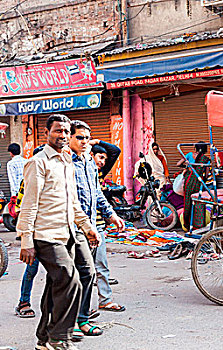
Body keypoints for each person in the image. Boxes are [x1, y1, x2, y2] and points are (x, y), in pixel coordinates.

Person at [17, 114, 101, 350]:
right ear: (46, 133)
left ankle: (44, 339)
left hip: (67, 234)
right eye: (57, 131)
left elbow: (72, 202)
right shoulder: (38, 162)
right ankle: (60, 338)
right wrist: (26, 239)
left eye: (65, 131)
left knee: (56, 285)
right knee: (70, 279)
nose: (62, 136)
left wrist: (87, 227)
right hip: (45, 234)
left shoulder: (66, 162)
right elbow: (30, 203)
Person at [69, 121, 126, 340]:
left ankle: (81, 319)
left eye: (87, 138)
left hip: (91, 226)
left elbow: (97, 193)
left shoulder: (89, 163)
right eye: (79, 137)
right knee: (75, 275)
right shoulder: (64, 162)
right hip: (72, 227)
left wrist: (111, 214)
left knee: (86, 273)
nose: (84, 142)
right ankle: (70, 321)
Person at [89, 139, 127, 313]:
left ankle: (105, 300)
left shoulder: (100, 173)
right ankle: (79, 307)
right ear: (90, 156)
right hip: (81, 229)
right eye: (99, 157)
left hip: (98, 227)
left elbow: (116, 151)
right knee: (81, 270)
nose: (103, 162)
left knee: (101, 266)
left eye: (104, 159)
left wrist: (97, 141)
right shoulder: (75, 169)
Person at [14, 146, 45, 319]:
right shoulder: (28, 179)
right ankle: (23, 302)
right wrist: (27, 237)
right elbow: (21, 207)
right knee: (32, 269)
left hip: (53, 231)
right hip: (35, 232)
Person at [182, 141, 210, 230]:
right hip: (198, 183)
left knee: (187, 203)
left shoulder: (190, 155)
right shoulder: (206, 159)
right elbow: (206, 174)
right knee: (198, 203)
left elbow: (178, 164)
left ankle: (187, 224)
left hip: (188, 182)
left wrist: (187, 167)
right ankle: (197, 225)